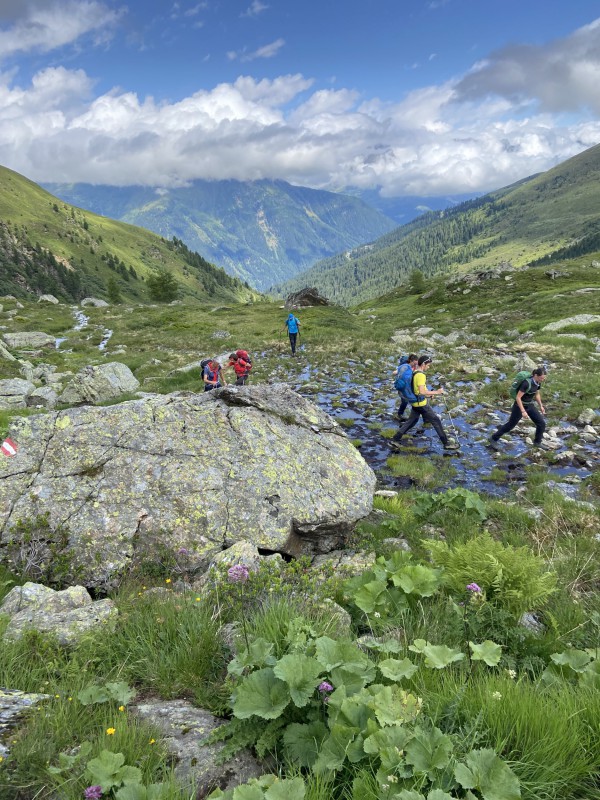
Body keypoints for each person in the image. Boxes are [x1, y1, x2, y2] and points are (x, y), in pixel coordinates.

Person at [391, 355, 459, 451]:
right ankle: (446, 444)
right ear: (423, 364)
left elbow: (417, 390)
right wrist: (437, 392)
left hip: (415, 402)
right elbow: (422, 391)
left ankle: (395, 439)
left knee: (412, 421)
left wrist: (429, 394)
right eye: (428, 365)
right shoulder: (421, 375)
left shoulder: (415, 372)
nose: (429, 367)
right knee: (436, 420)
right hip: (421, 404)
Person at [489, 366, 547, 449]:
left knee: (541, 423)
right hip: (519, 405)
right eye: (542, 378)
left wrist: (541, 406)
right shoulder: (526, 383)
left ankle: (537, 442)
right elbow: (518, 398)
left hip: (529, 404)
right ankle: (493, 438)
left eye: (543, 378)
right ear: (536, 375)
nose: (543, 380)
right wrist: (523, 411)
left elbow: (537, 394)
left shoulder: (538, 382)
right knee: (511, 425)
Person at [393, 353, 418, 420]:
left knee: (408, 400)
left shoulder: (413, 367)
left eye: (416, 363)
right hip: (402, 387)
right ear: (411, 360)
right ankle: (400, 414)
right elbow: (395, 372)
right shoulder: (405, 366)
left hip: (408, 387)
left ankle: (404, 414)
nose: (415, 365)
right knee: (405, 401)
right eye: (414, 363)